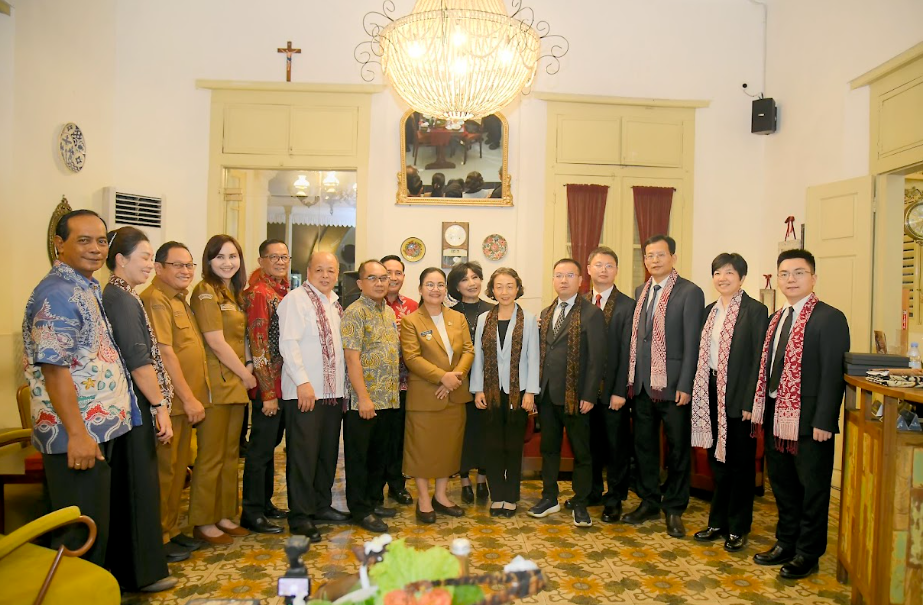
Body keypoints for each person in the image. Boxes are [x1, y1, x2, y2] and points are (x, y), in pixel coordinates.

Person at [22, 210, 140, 571]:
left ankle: (95, 590)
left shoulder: (84, 286)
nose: (95, 248)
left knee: (97, 527)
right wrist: (76, 434)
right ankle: (71, 593)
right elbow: (54, 370)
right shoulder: (57, 294)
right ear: (59, 244)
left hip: (98, 428)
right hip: (77, 435)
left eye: (101, 241)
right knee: (79, 535)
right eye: (83, 240)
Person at [751, 249, 849, 579]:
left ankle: (808, 552)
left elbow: (832, 374)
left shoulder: (829, 317)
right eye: (784, 274)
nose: (790, 279)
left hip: (809, 422)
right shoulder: (776, 318)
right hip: (777, 416)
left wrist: (825, 419)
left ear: (813, 278)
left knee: (812, 490)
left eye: (799, 273)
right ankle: (786, 542)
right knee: (783, 487)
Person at [101, 226, 178, 591]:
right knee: (138, 490)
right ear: (121, 259)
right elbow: (138, 359)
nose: (150, 264)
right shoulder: (120, 299)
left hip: (133, 404)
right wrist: (160, 405)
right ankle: (140, 574)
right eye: (145, 257)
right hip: (135, 406)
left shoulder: (123, 294)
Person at [622, 234, 704, 538]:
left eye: (660, 255)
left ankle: (675, 507)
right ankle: (649, 501)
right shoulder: (640, 291)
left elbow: (693, 342)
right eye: (649, 255)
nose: (654, 260)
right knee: (643, 446)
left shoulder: (690, 292)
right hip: (643, 384)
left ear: (673, 257)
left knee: (678, 449)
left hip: (673, 386)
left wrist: (686, 384)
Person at [690, 253, 768, 552]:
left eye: (729, 273)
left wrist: (750, 400)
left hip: (738, 396)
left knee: (740, 464)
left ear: (742, 278)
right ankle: (717, 522)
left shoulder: (755, 310)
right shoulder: (709, 312)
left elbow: (758, 359)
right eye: (717, 273)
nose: (722, 278)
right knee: (716, 461)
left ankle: (738, 527)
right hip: (709, 391)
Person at [141, 241, 210, 554]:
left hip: (186, 404)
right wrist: (188, 397)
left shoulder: (180, 299)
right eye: (177, 265)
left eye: (189, 265)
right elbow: (164, 354)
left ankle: (171, 527)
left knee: (178, 469)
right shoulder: (155, 299)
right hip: (171, 403)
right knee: (164, 473)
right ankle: (158, 538)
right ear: (158, 268)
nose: (186, 271)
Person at [187, 235, 256, 544]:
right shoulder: (205, 292)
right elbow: (215, 340)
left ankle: (225, 514)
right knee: (211, 456)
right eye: (220, 257)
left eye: (233, 256)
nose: (228, 263)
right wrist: (245, 374)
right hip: (217, 384)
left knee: (230, 455)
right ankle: (204, 521)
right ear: (209, 261)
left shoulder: (233, 293)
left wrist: (249, 366)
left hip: (236, 382)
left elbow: (241, 337)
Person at [528, 258, 606, 527]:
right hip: (548, 395)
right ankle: (549, 497)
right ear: (553, 280)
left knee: (582, 453)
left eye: (569, 275)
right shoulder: (546, 312)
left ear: (580, 280)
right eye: (559, 275)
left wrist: (589, 395)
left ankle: (581, 503)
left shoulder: (591, 314)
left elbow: (597, 360)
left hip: (576, 396)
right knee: (549, 449)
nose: (563, 280)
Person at [278, 251, 349, 542]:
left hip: (331, 394)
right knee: (303, 456)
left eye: (330, 270)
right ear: (308, 271)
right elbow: (288, 343)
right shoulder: (296, 300)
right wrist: (303, 382)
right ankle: (300, 516)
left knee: (326, 454)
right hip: (305, 393)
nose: (325, 275)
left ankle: (321, 505)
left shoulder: (335, 304)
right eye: (319, 270)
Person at [400, 267, 474, 524]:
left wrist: (454, 379)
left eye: (440, 284)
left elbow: (468, 350)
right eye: (429, 284)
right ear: (420, 289)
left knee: (447, 450)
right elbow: (412, 358)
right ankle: (423, 499)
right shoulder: (411, 321)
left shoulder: (457, 318)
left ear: (446, 289)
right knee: (421, 450)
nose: (435, 289)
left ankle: (441, 496)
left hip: (453, 396)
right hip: (425, 397)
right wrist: (443, 377)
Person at [469, 268, 540, 517]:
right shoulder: (483, 319)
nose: (504, 291)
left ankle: (511, 497)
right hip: (490, 392)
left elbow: (533, 357)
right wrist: (477, 389)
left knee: (512, 446)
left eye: (510, 286)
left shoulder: (528, 319)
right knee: (493, 446)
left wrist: (530, 393)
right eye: (499, 286)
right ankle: (496, 496)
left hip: (518, 392)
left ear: (518, 289)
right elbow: (478, 356)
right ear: (492, 290)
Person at [341, 260, 401, 533]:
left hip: (388, 399)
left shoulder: (387, 311)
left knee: (379, 456)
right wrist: (363, 398)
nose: (380, 283)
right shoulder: (355, 312)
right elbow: (352, 359)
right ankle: (360, 509)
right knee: (360, 459)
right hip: (363, 402)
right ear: (360, 283)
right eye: (373, 278)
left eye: (383, 278)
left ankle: (374, 501)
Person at [240, 239, 291, 534]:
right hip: (267, 386)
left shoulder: (281, 291)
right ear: (261, 261)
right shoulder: (259, 293)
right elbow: (258, 344)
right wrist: (268, 393)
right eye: (274, 257)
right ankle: (252, 511)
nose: (280, 262)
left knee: (270, 447)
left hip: (283, 384)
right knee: (259, 451)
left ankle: (265, 502)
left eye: (284, 257)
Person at [582, 247, 635, 524]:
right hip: (586, 393)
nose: (603, 270)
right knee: (589, 446)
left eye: (609, 265)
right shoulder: (580, 302)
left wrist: (620, 391)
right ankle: (592, 491)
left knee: (616, 449)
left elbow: (628, 352)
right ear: (588, 269)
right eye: (598, 264)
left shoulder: (628, 306)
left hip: (614, 391)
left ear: (616, 270)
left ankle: (614, 499)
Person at [447, 261, 494, 504]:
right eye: (465, 279)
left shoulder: (494, 310)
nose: (472, 283)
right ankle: (464, 480)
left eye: (475, 277)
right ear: (457, 286)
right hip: (459, 381)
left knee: (485, 432)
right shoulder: (450, 314)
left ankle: (482, 478)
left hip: (489, 382)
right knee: (462, 433)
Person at [380, 254, 417, 506]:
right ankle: (373, 488)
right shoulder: (368, 303)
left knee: (399, 438)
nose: (393, 278)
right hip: (376, 385)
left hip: (406, 383)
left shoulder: (413, 306)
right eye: (388, 273)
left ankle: (396, 485)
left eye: (398, 273)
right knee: (378, 438)